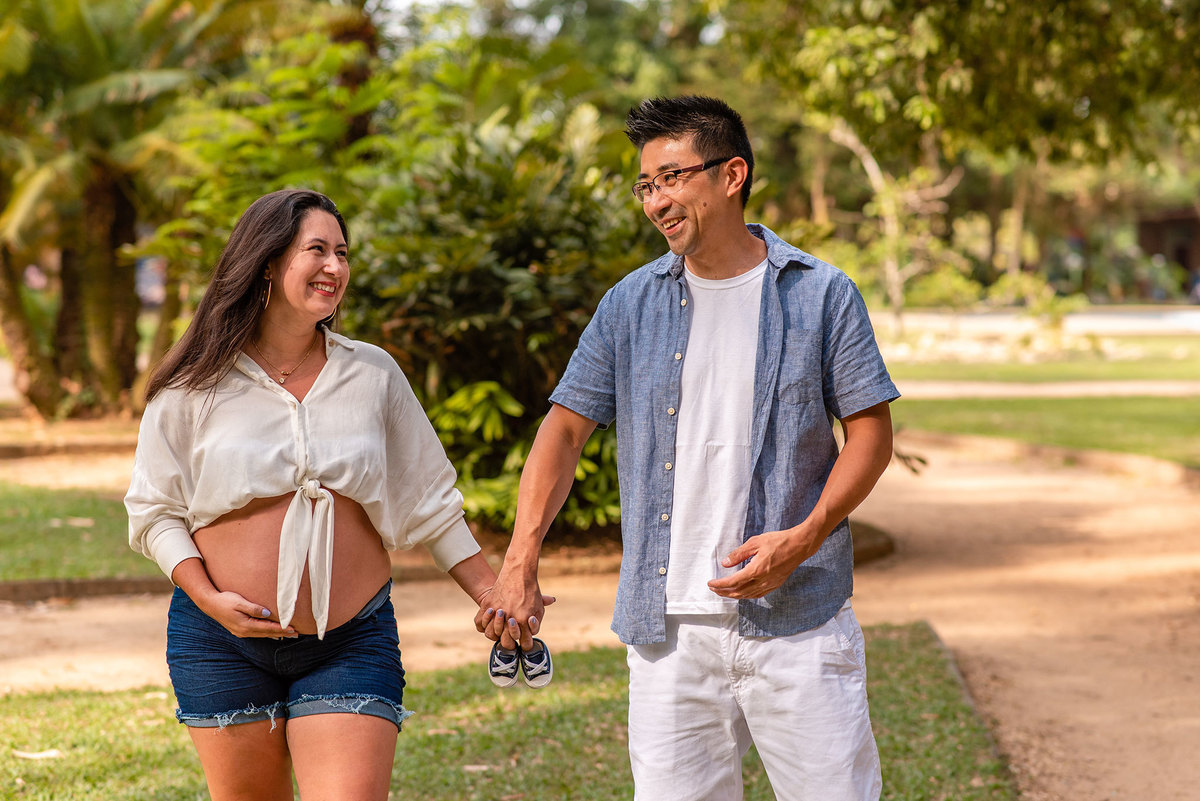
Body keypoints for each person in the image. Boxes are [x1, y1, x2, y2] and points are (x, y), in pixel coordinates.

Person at [478, 96, 900, 800]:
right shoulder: (630, 304)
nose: (656, 202)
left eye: (671, 178)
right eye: (646, 185)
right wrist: (520, 560)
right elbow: (564, 430)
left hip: (800, 621)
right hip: (668, 633)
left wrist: (803, 538)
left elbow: (872, 434)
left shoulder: (821, 294)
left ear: (731, 175)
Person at [125, 189, 536, 801]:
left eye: (342, 253)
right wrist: (208, 598)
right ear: (268, 262)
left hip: (350, 639)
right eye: (316, 250)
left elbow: (428, 500)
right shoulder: (194, 383)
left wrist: (493, 596)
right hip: (219, 643)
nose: (335, 267)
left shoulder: (372, 373)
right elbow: (155, 510)